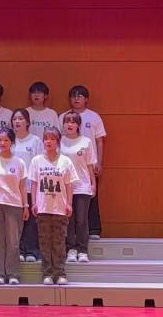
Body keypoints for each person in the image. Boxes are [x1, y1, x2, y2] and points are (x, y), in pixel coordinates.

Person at [29, 127, 79, 285]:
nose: (48, 142)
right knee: (45, 243)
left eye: (52, 139)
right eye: (46, 139)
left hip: (60, 208)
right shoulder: (36, 161)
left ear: (58, 142)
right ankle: (47, 274)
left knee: (59, 243)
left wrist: (69, 203)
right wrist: (34, 203)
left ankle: (60, 273)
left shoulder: (66, 161)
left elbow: (69, 185)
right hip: (43, 208)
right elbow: (34, 184)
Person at [0, 128, 28, 285]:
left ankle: (13, 273)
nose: (2, 143)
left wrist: (26, 205)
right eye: (0, 140)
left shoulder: (19, 162)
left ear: (12, 142)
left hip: (14, 204)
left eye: (6, 140)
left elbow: (23, 187)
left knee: (13, 241)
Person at [69, 85, 108, 239]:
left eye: (80, 96)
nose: (76, 98)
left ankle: (94, 229)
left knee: (92, 196)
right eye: (73, 96)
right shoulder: (64, 117)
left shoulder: (94, 117)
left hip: (89, 164)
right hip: (70, 165)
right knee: (71, 199)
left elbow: (99, 141)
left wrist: (99, 162)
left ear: (86, 99)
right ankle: (72, 233)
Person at [61, 110, 99, 263]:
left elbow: (90, 165)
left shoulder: (86, 142)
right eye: (67, 122)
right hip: (65, 187)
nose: (69, 125)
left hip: (82, 185)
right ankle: (71, 249)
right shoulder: (60, 141)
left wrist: (93, 184)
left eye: (73, 122)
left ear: (78, 125)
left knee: (82, 220)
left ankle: (82, 250)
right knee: (68, 220)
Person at [11, 109, 44, 263]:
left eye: (20, 119)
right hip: (12, 189)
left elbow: (40, 164)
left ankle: (31, 250)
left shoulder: (35, 141)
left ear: (28, 122)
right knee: (15, 221)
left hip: (30, 187)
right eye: (15, 119)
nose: (17, 121)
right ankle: (18, 250)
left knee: (31, 221)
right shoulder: (9, 141)